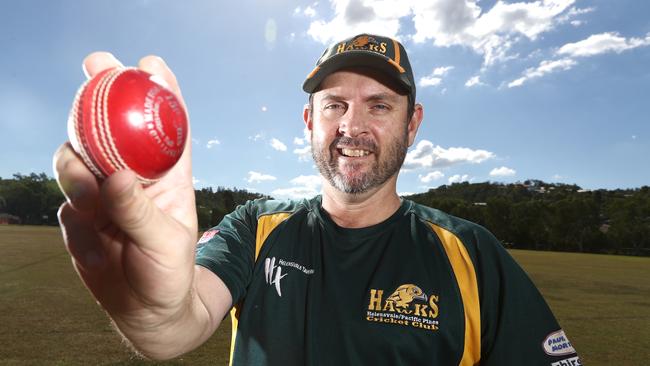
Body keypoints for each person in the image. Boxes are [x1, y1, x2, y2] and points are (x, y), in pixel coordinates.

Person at [54, 34, 581, 365]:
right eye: (334, 106)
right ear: (310, 121)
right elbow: (181, 323)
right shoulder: (255, 226)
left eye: (379, 105)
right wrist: (157, 316)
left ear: (412, 124)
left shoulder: (470, 252)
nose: (352, 125)